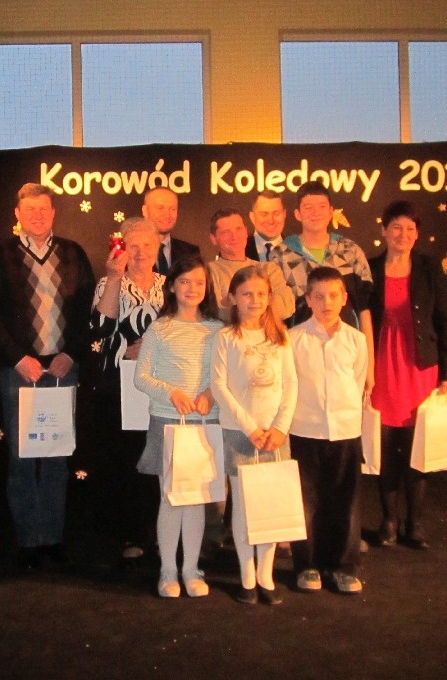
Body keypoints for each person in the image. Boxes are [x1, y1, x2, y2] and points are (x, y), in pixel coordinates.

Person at [0, 183, 96, 572]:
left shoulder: (73, 253)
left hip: (62, 367)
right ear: (17, 214)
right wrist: (17, 358)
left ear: (53, 212)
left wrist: (70, 354)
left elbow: (86, 310)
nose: (38, 215)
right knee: (22, 458)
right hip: (20, 370)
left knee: (58, 456)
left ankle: (53, 539)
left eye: (44, 208)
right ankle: (28, 541)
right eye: (30, 209)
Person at [368, 200, 447, 550]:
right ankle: (388, 521)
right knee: (386, 449)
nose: (402, 235)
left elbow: (445, 319)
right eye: (396, 227)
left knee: (419, 448)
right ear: (383, 230)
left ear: (417, 234)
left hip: (421, 366)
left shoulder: (429, 267)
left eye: (410, 229)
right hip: (382, 367)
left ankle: (415, 523)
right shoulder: (370, 268)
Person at [134, 255, 221, 598]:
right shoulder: (160, 328)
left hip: (204, 423)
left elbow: (225, 374)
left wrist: (210, 393)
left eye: (199, 282)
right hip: (168, 422)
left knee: (196, 500)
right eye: (184, 281)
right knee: (171, 498)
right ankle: (168, 570)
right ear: (171, 286)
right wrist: (171, 393)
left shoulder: (217, 329)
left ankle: (191, 569)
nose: (192, 288)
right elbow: (142, 377)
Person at [210, 266, 297, 606]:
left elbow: (290, 384)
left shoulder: (280, 336)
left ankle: (266, 575)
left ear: (270, 298)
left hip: (275, 435)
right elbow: (219, 386)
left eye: (261, 294)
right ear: (233, 298)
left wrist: (279, 427)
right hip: (240, 432)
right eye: (247, 294)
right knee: (244, 506)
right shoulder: (226, 338)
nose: (254, 300)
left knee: (270, 503)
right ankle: (247, 575)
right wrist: (250, 427)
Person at [288, 267, 368, 595]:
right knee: (306, 502)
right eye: (319, 296)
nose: (327, 303)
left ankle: (343, 567)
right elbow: (289, 385)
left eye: (334, 295)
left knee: (344, 502)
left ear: (344, 298)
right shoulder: (294, 339)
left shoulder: (356, 340)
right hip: (305, 431)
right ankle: (307, 565)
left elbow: (358, 381)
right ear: (307, 299)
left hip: (345, 431)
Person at [90, 216, 164, 566]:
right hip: (120, 385)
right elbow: (100, 328)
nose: (140, 252)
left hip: (163, 384)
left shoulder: (170, 285)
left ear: (157, 249)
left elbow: (184, 329)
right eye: (133, 245)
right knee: (129, 460)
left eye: (147, 245)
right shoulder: (110, 282)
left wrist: (151, 349)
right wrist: (115, 278)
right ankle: (132, 534)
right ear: (121, 248)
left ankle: (162, 533)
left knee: (161, 458)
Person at [273, 181, 375, 391]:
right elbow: (275, 314)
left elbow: (364, 310)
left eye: (321, 207)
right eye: (308, 207)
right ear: (297, 214)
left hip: (345, 353)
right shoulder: (281, 254)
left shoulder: (350, 251)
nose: (315, 213)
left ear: (331, 212)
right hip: (299, 355)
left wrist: (370, 367)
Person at [208, 208, 295, 324]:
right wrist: (264, 303)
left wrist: (232, 303)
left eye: (238, 229)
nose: (234, 236)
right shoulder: (208, 272)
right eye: (225, 232)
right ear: (214, 239)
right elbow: (216, 312)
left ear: (245, 232)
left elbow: (285, 308)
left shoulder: (269, 269)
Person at [142, 186, 200, 275]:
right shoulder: (129, 252)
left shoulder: (190, 253)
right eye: (160, 208)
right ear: (145, 211)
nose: (167, 215)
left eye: (172, 209)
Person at [245, 191, 288, 263]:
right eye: (264, 214)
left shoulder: (298, 251)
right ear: (252, 217)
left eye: (276, 213)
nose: (271, 221)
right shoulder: (238, 250)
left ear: (284, 214)